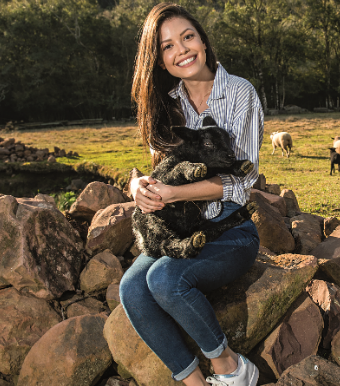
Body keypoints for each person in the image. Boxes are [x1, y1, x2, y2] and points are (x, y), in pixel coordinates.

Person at [119, 3, 263, 386]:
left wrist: (174, 193)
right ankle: (195, 383)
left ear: (203, 40)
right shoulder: (171, 103)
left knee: (165, 280)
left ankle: (232, 368)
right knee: (131, 288)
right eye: (167, 46)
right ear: (159, 59)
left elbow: (240, 182)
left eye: (187, 37)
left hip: (230, 230)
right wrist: (138, 186)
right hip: (182, 229)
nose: (181, 50)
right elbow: (159, 170)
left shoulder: (239, 93)